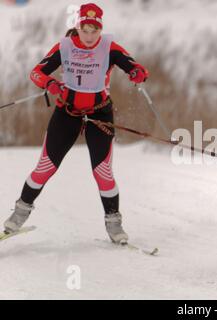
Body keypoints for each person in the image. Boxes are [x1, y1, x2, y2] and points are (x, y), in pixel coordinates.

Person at [3, 3, 149, 244]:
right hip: (67, 113)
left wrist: (137, 73)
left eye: (95, 30)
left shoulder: (109, 47)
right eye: (85, 29)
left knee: (103, 172)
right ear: (78, 27)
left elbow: (136, 67)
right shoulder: (65, 46)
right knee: (45, 168)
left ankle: (114, 225)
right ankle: (18, 215)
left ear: (100, 29)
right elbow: (36, 72)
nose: (90, 36)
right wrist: (49, 84)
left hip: (99, 114)